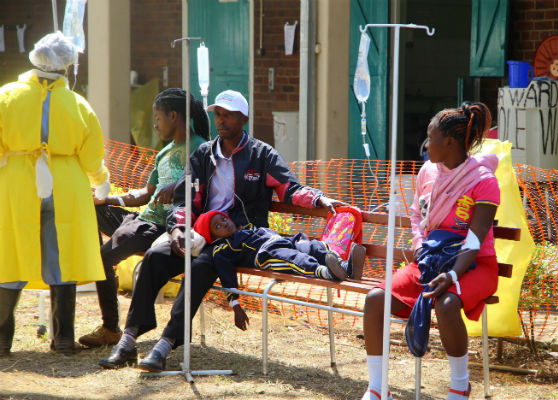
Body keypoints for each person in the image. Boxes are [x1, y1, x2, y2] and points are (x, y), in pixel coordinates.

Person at [100, 89, 343, 371]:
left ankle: (165, 344)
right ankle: (128, 340)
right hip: (202, 232)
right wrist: (179, 229)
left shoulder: (261, 155)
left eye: (228, 115)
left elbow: (290, 189)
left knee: (202, 265)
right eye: (217, 114)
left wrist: (320, 199)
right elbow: (186, 199)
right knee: (155, 254)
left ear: (243, 119)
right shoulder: (204, 154)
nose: (220, 120)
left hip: (241, 238)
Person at [361, 103, 500, 400]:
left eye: (430, 136)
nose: (426, 144)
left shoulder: (484, 181)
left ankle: (460, 387)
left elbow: (474, 242)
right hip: (430, 262)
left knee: (447, 304)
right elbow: (416, 217)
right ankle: (377, 388)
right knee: (375, 300)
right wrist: (420, 248)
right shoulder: (427, 172)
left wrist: (450, 275)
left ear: (449, 141)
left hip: (474, 266)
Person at [0, 31, 111, 355]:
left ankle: (2, 342)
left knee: (9, 255)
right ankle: (63, 340)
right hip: (65, 187)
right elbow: (92, 156)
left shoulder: (6, 96)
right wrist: (101, 180)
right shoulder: (77, 103)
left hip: (16, 184)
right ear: (67, 65)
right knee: (61, 258)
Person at [78, 88, 210, 348]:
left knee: (102, 258)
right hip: (140, 219)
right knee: (90, 208)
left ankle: (110, 329)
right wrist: (107, 200)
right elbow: (145, 194)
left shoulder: (201, 148)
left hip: (162, 228)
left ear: (174, 116)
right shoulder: (164, 152)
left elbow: (203, 188)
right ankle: (110, 314)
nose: (154, 124)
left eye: (157, 118)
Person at [192, 210, 366, 282]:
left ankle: (345, 267)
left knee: (312, 246)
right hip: (267, 254)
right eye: (217, 227)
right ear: (213, 237)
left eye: (223, 219)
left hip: (285, 241)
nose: (223, 223)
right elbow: (226, 273)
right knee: (296, 259)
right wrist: (235, 303)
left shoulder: (246, 228)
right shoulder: (222, 249)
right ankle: (328, 273)